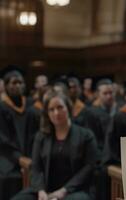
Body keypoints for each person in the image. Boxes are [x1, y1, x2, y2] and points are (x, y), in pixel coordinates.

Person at [11, 91, 99, 200]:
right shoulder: (41, 137)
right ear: (47, 113)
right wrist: (40, 190)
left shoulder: (86, 135)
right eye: (51, 109)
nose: (56, 113)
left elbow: (89, 168)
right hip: (46, 188)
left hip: (76, 190)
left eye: (60, 107)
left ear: (68, 108)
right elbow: (36, 167)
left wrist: (64, 190)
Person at [0, 65, 40, 200]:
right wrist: (19, 158)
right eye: (14, 83)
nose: (18, 86)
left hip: (30, 156)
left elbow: (37, 135)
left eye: (20, 82)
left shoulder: (31, 107)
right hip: (7, 157)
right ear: (5, 86)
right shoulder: (1, 108)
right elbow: (3, 140)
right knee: (9, 178)